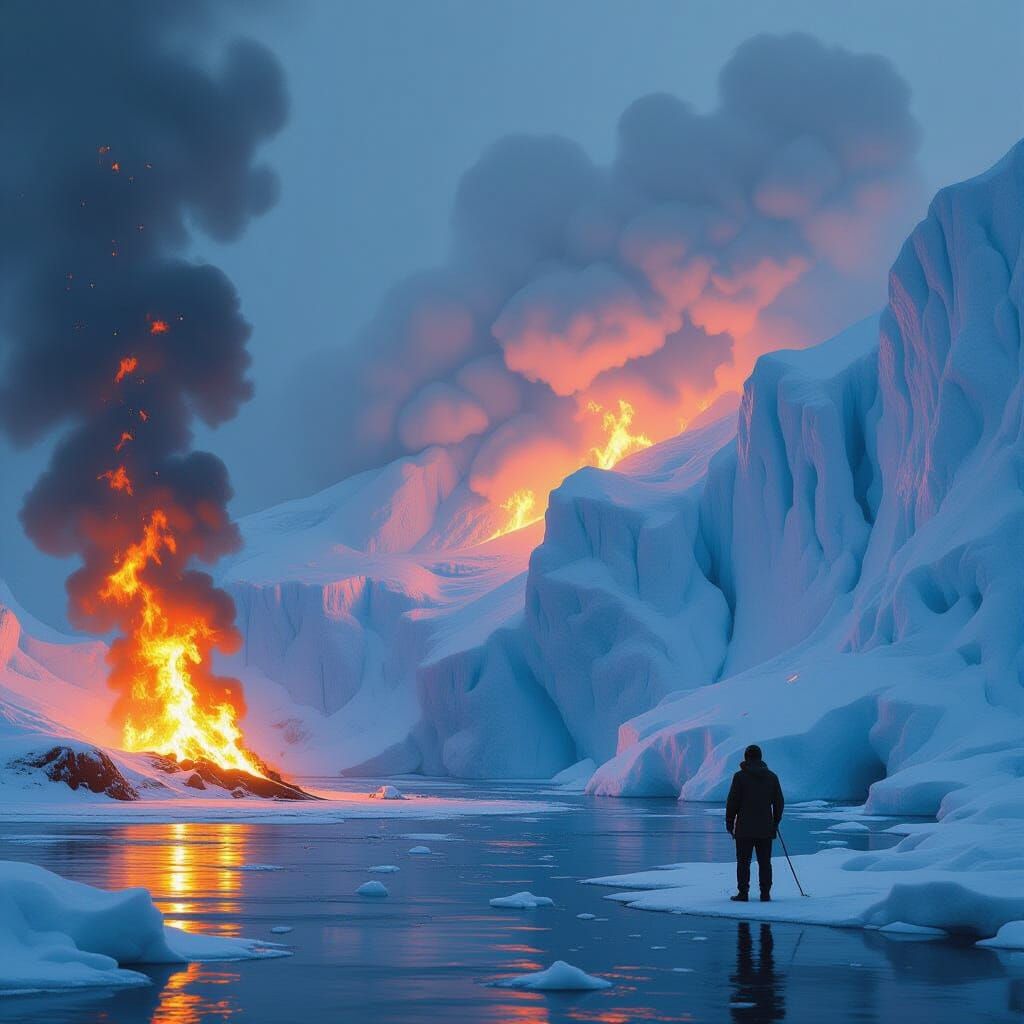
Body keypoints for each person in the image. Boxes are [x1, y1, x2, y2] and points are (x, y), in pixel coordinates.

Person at [725, 744, 784, 902]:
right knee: (765, 862)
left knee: (743, 862)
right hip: (765, 828)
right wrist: (775, 822)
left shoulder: (740, 777)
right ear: (760, 757)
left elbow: (733, 802)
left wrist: (729, 822)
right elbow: (779, 802)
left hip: (744, 828)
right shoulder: (772, 777)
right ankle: (765, 893)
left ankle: (743, 893)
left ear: (746, 757)